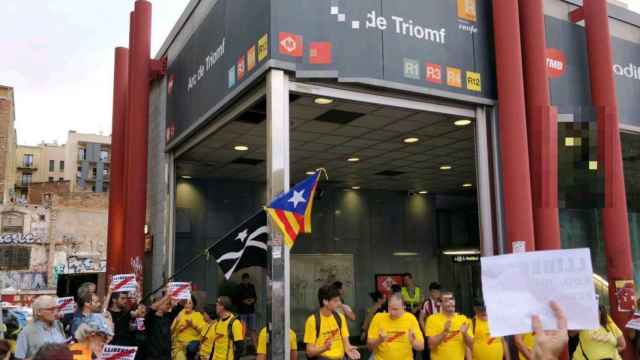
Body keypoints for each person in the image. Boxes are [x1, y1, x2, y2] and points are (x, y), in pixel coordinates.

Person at [303, 285, 360, 360]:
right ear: (325, 301)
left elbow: (346, 343)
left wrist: (349, 348)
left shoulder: (340, 317)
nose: (339, 303)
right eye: (335, 301)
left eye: (339, 300)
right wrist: (324, 348)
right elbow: (309, 352)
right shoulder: (312, 320)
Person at [367, 293, 424, 359]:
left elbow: (421, 346)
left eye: (395, 309)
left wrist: (413, 342)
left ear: (403, 307)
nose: (392, 312)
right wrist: (379, 340)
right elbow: (369, 347)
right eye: (390, 308)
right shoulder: (378, 318)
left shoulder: (411, 319)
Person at [424, 291, 473, 360]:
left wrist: (465, 334)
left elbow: (471, 345)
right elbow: (431, 345)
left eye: (452, 299)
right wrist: (444, 332)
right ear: (440, 303)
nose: (450, 302)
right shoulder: (432, 319)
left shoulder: (463, 319)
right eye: (446, 300)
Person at [144, 292, 183, 360]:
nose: (169, 306)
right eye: (167, 304)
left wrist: (186, 292)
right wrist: (165, 297)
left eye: (169, 304)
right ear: (159, 304)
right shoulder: (150, 318)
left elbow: (180, 306)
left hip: (166, 355)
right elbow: (152, 309)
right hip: (153, 356)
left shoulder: (168, 316)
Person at [171, 295, 205, 360]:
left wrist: (192, 325)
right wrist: (177, 324)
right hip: (179, 344)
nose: (187, 305)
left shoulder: (198, 315)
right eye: (186, 303)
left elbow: (203, 331)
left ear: (193, 305)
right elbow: (171, 331)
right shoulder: (180, 313)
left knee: (191, 348)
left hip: (191, 345)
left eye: (190, 303)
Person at [211, 296, 244, 360]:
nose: (216, 305)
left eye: (217, 303)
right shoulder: (217, 322)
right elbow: (215, 345)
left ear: (222, 306)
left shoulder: (235, 323)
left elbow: (239, 348)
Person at [420, 282, 441, 360]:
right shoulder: (426, 303)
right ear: (431, 292)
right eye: (436, 292)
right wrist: (426, 332)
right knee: (428, 355)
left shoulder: (442, 302)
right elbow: (421, 319)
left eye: (439, 291)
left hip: (440, 332)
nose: (438, 293)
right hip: (430, 333)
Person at [238, 273, 258, 349]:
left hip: (251, 310)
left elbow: (255, 297)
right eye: (245, 279)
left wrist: (252, 300)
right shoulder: (239, 287)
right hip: (242, 311)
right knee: (243, 330)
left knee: (253, 329)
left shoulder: (251, 286)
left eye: (248, 279)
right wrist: (244, 301)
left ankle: (256, 347)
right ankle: (243, 349)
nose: (247, 281)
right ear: (243, 280)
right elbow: (237, 299)